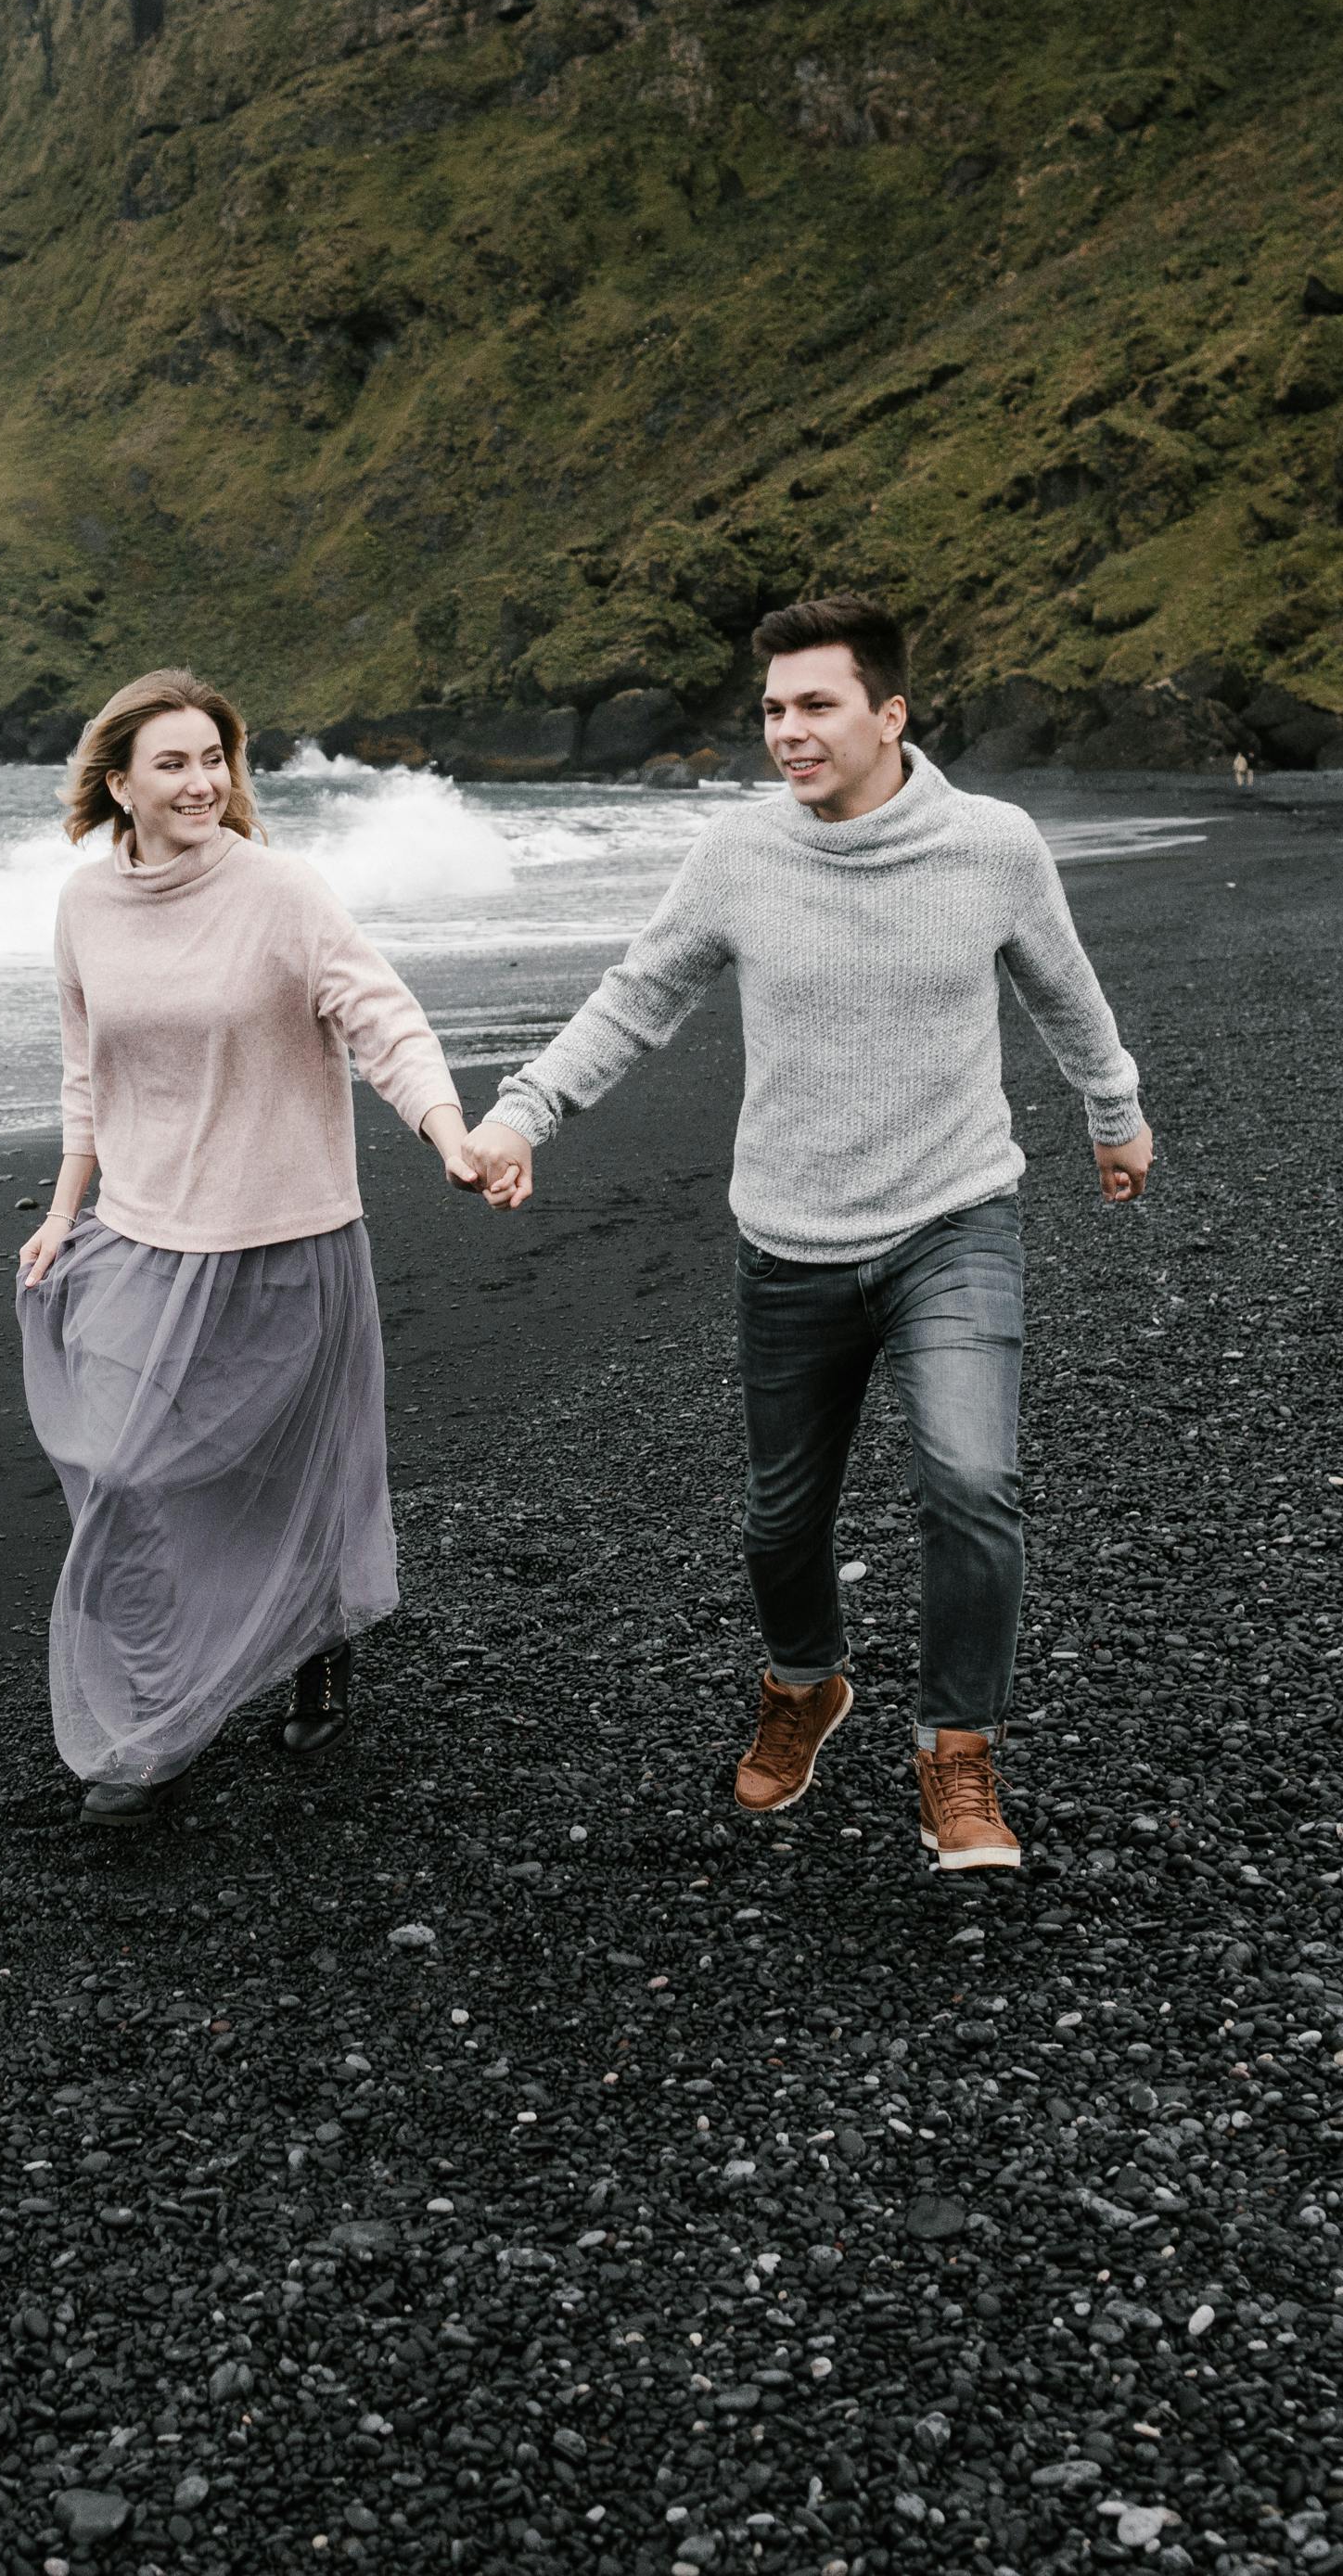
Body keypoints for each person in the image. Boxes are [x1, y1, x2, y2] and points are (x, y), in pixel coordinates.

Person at [464, 591, 1152, 1873]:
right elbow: (637, 996)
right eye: (772, 707)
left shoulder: (993, 845)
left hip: (956, 1218)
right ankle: (806, 1683)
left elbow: (1065, 986)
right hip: (789, 1240)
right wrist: (524, 1112)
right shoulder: (738, 855)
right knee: (782, 1520)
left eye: (815, 703)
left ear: (890, 714)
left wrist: (1114, 1112)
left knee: (972, 1480)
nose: (786, 728)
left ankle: (956, 1749)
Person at [16, 669, 480, 1821]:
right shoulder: (82, 904)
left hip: (285, 1235)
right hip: (135, 1235)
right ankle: (147, 1722)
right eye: (170, 762)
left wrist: (445, 1128)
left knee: (280, 1471)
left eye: (214, 757)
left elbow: (383, 1018)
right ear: (116, 783)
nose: (201, 780)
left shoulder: (280, 891)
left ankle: (313, 1642)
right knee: (124, 1473)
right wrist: (61, 1209)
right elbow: (87, 1076)